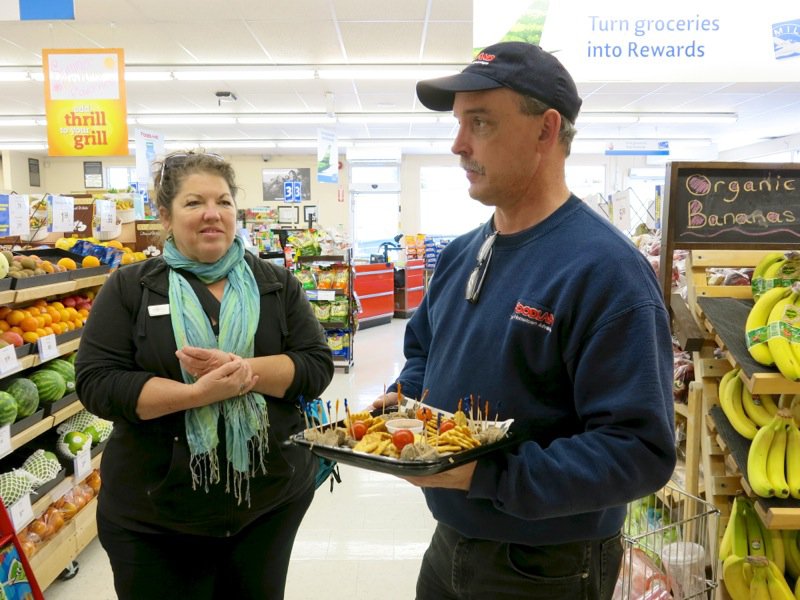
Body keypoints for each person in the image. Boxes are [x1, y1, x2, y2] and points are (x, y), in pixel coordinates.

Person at [373, 41, 676, 600]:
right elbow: (424, 350)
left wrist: (485, 474)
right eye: (461, 123)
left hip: (548, 564)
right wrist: (405, 401)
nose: (458, 144)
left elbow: (639, 449)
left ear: (546, 130)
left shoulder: (607, 271)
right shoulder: (464, 253)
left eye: (480, 123)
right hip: (450, 540)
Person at [75, 151, 334, 600]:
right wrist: (197, 394)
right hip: (154, 514)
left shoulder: (276, 284)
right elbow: (97, 383)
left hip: (266, 507)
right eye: (194, 203)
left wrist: (244, 371)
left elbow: (315, 366)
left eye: (224, 201)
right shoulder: (130, 288)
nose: (212, 214)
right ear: (166, 216)